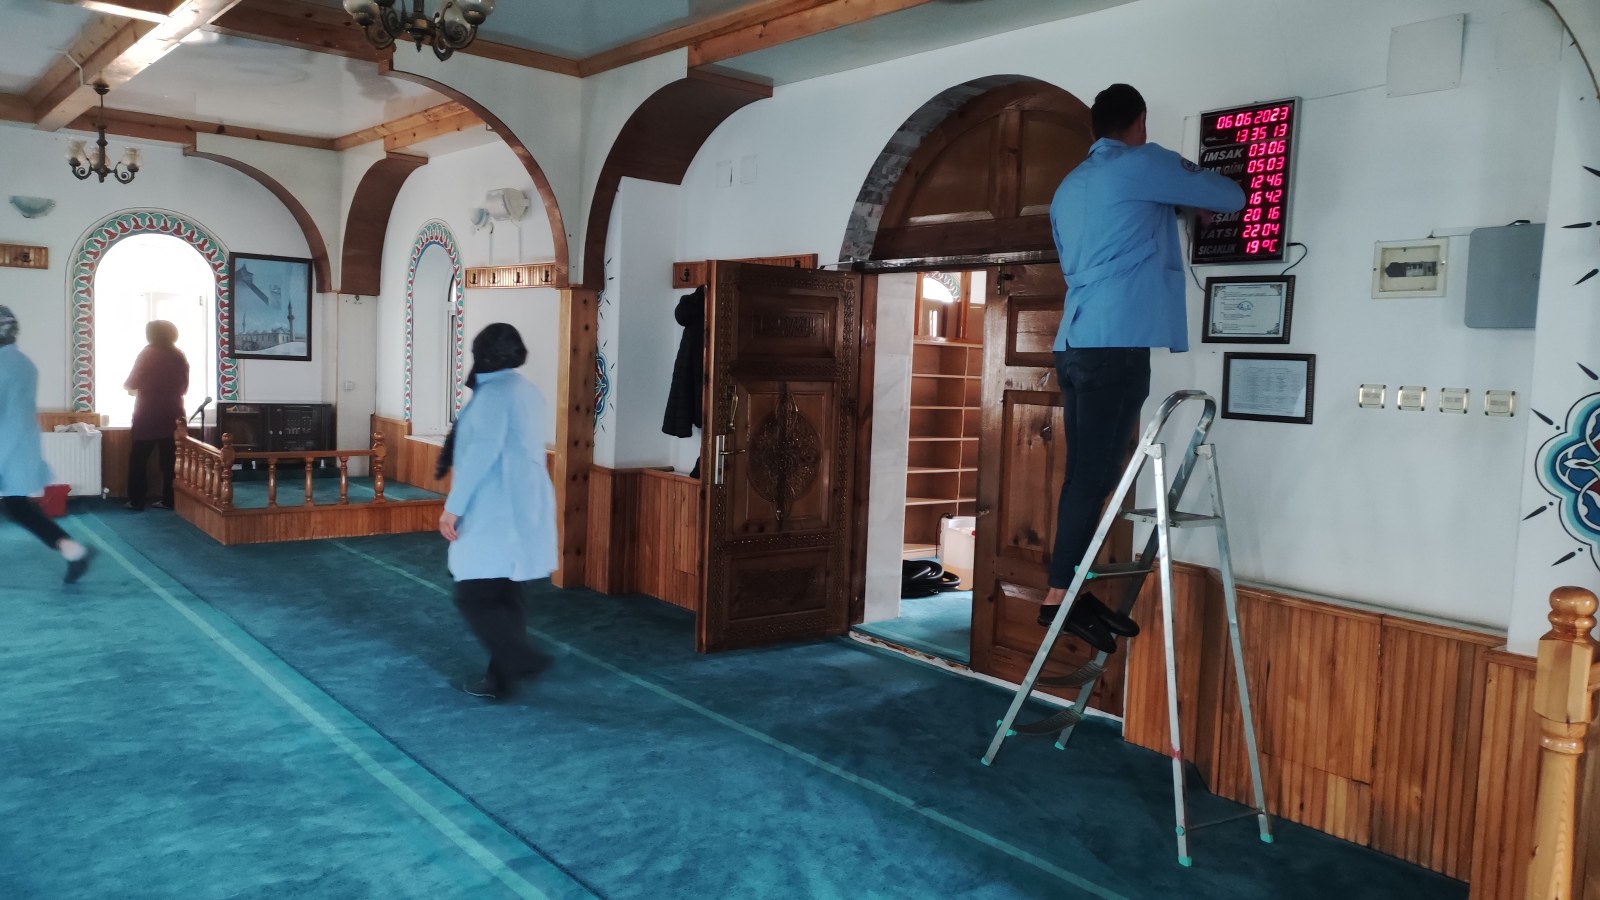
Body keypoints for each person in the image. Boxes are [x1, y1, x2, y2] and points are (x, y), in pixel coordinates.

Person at [1040, 84, 1245, 652]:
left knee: (1089, 474)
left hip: (1076, 340)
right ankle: (1058, 598)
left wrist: (1169, 205)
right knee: (1094, 476)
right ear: (1141, 122)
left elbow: (1113, 235)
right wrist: (1183, 197)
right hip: (1116, 344)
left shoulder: (1069, 186)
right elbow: (1230, 196)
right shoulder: (1143, 164)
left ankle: (1068, 592)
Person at [435, 323, 558, 701]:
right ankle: (500, 679)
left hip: (495, 505)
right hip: (525, 502)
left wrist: (452, 508)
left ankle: (520, 659)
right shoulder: (526, 390)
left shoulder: (493, 396)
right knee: (508, 591)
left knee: (473, 594)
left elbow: (480, 454)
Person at [0, 305, 93, 583]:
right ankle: (73, 550)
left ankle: (74, 550)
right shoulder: (25, 363)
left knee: (18, 507)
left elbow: (10, 418)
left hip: (9, 446)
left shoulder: (4, 366)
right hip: (20, 445)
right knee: (18, 507)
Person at [124, 320, 188, 511]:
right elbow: (184, 388)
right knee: (170, 462)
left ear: (151, 335)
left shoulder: (148, 353)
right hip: (173, 414)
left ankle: (136, 501)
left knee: (139, 459)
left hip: (148, 414)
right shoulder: (179, 355)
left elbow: (131, 383)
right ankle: (170, 500)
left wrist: (136, 389)